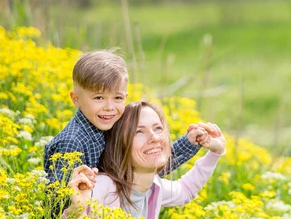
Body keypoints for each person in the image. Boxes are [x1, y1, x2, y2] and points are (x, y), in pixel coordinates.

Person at [66, 101, 226, 219]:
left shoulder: (154, 187)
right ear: (120, 146)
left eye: (158, 128)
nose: (154, 137)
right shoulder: (101, 187)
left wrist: (215, 152)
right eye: (139, 132)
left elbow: (186, 190)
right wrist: (76, 211)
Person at [43, 50, 203, 185]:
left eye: (117, 98)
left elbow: (143, 168)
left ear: (126, 97)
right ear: (76, 99)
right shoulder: (71, 143)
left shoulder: (115, 124)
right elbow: (56, 204)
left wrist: (190, 142)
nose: (109, 107)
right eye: (98, 98)